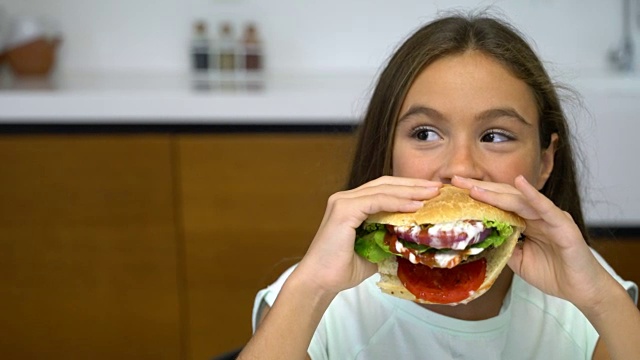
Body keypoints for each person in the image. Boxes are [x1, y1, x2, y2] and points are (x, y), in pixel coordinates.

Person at [238, 12, 640, 360]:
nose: (459, 168)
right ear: (388, 153)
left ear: (544, 163)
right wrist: (310, 288)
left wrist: (603, 300)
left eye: (496, 136)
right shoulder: (321, 301)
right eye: (426, 133)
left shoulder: (585, 297)